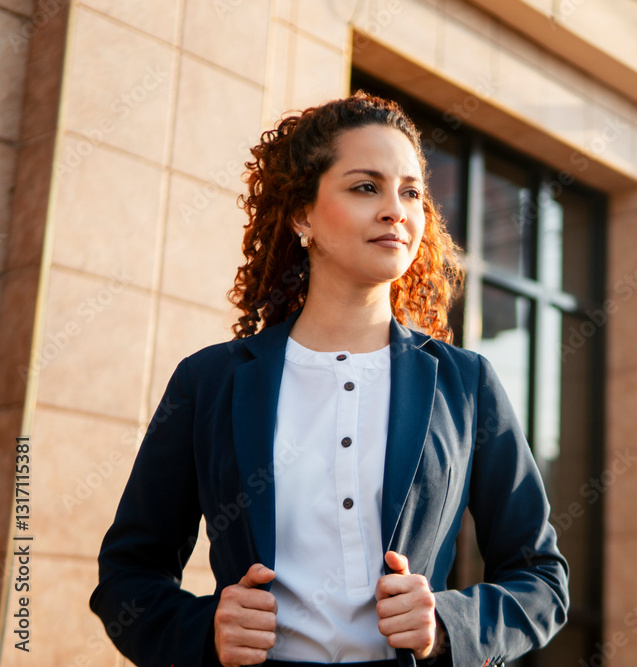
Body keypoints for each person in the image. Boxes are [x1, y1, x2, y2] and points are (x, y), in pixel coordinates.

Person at [89, 92, 569, 667]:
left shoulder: (466, 384)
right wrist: (203, 631)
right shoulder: (210, 381)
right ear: (303, 215)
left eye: (411, 191)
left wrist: (447, 625)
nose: (397, 209)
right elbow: (128, 574)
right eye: (366, 187)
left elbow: (542, 578)